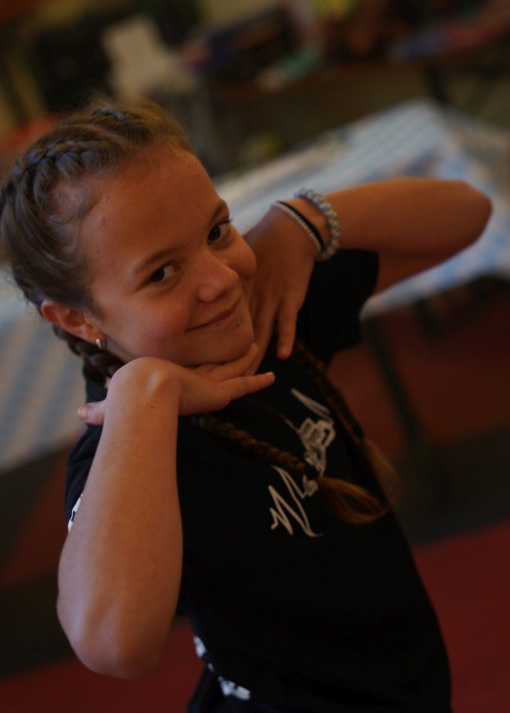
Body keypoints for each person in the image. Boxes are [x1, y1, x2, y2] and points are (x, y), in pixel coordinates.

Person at [0, 99, 491, 713]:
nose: (221, 279)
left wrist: (304, 220)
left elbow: (467, 214)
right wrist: (146, 395)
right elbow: (114, 643)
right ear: (77, 318)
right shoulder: (127, 447)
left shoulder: (261, 316)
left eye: (216, 231)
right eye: (161, 274)